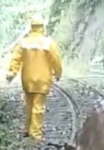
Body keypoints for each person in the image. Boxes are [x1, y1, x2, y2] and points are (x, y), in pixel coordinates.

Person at [6, 14, 63, 142]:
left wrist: (11, 73)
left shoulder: (24, 42)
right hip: (43, 80)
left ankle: (27, 129)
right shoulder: (49, 43)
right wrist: (58, 73)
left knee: (29, 105)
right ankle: (35, 134)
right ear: (42, 27)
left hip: (27, 79)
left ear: (31, 27)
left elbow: (16, 58)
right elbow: (56, 60)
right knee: (38, 107)